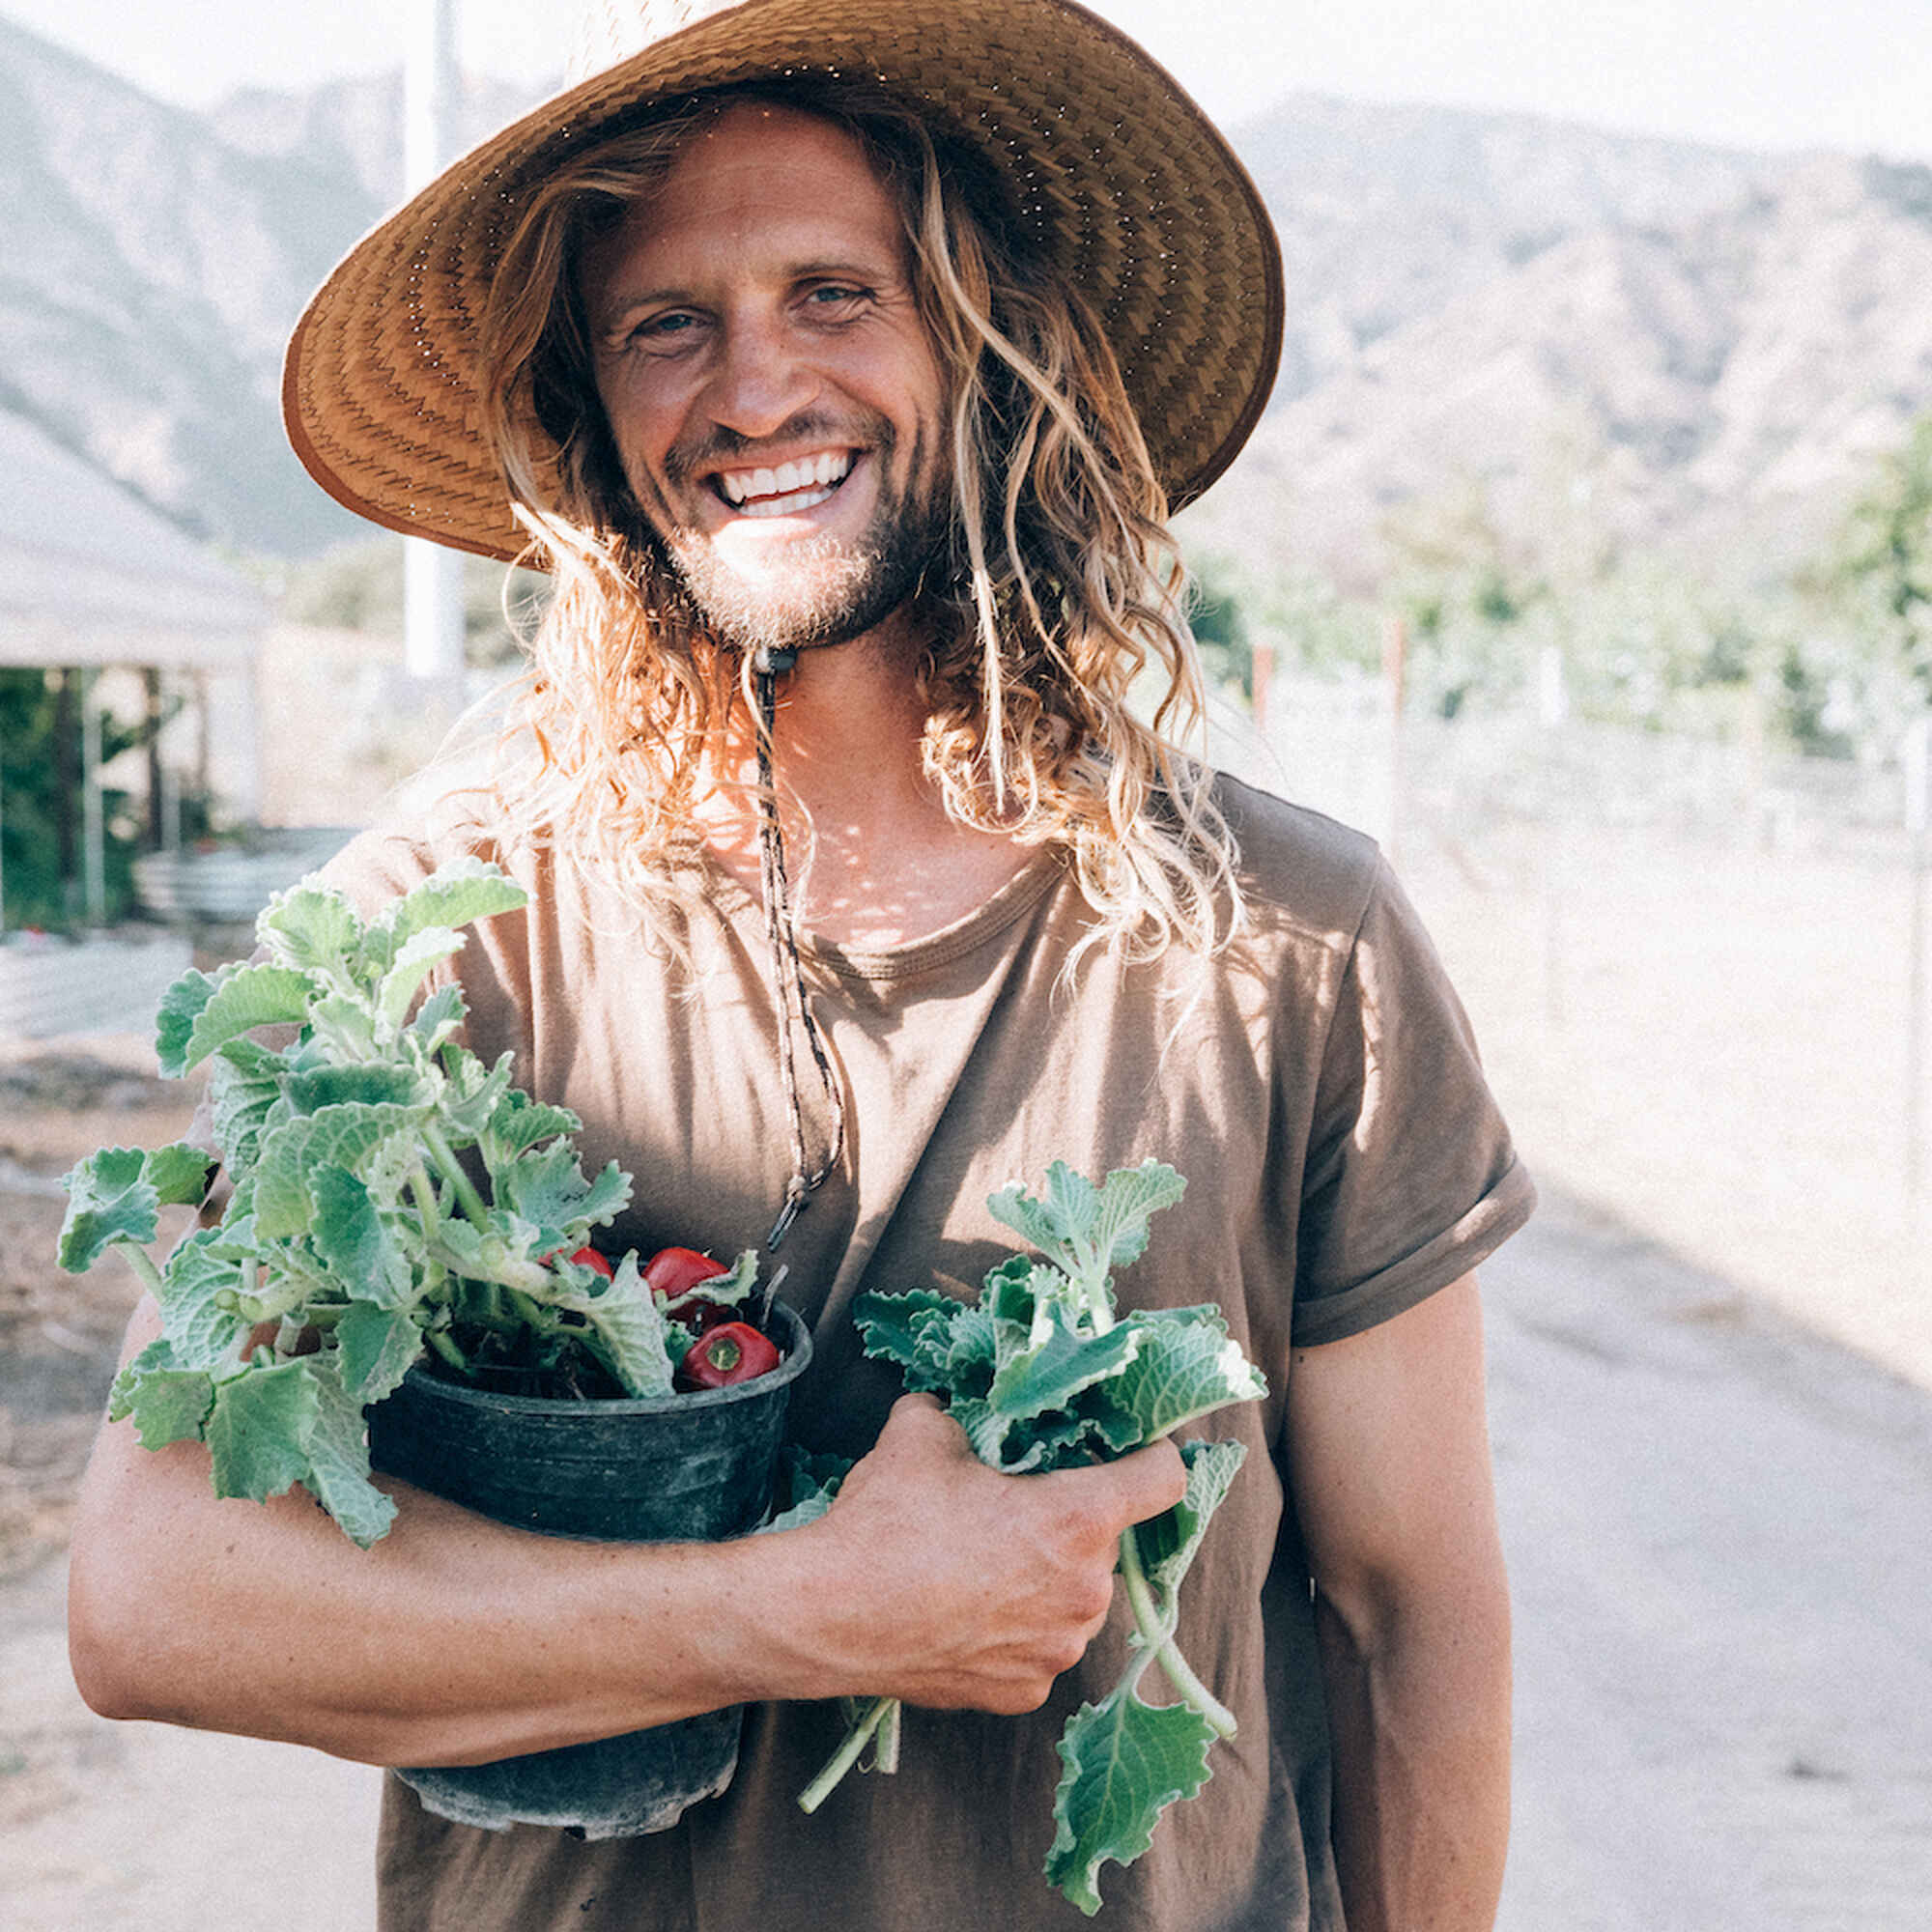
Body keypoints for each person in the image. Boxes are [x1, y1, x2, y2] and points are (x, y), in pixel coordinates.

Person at [68, 3, 1530, 1927]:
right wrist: (794, 1609)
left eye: (835, 292)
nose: (753, 385)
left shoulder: (1286, 940)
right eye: (666, 323)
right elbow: (153, 1595)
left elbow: (1405, 1607)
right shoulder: (435, 943)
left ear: (984, 353)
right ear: (596, 420)